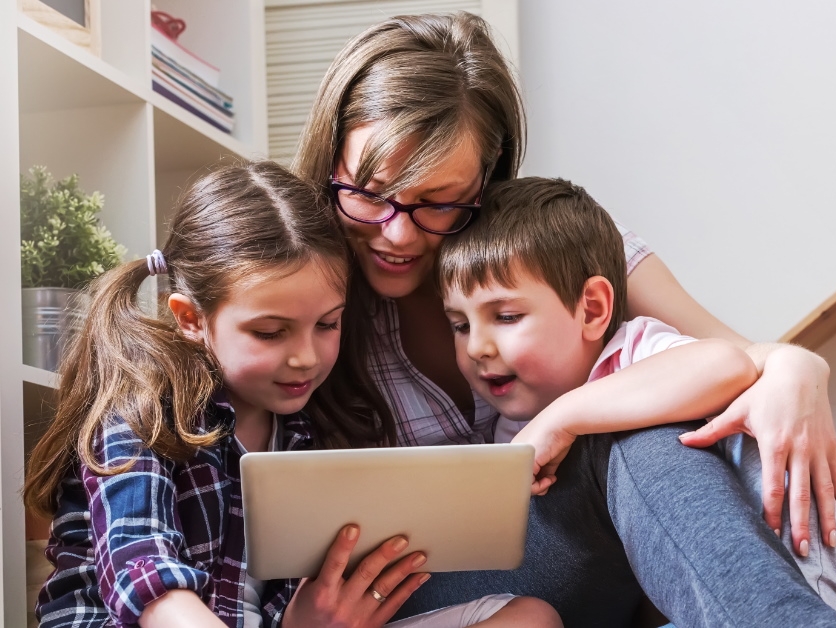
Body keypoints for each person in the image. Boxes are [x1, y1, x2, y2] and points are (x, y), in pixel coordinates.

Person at [291, 11, 836, 627]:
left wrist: (799, 366)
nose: (396, 231)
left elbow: (739, 358)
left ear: (486, 182)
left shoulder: (557, 255)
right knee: (635, 430)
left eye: (437, 201)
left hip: (643, 543)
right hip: (449, 576)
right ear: (332, 165)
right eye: (370, 193)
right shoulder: (302, 296)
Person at [21, 162, 561, 628]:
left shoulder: (307, 428)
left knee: (530, 618)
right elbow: (149, 584)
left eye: (327, 324)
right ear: (191, 319)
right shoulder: (142, 410)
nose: (305, 356)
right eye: (270, 332)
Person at [438, 176, 836, 628]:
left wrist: (563, 417)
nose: (477, 346)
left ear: (592, 309)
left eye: (507, 317)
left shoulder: (634, 351)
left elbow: (726, 364)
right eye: (460, 325)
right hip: (709, 593)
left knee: (682, 430)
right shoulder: (509, 421)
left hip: (812, 572)